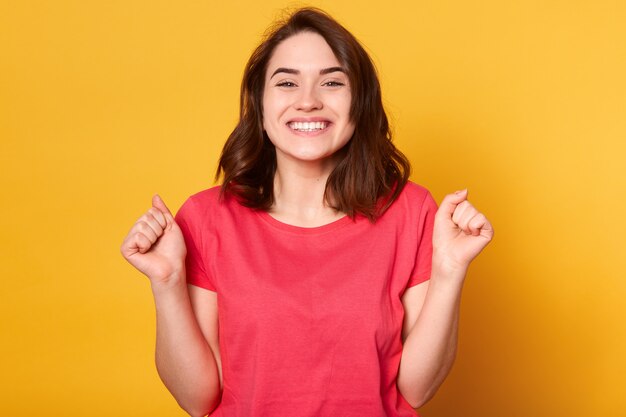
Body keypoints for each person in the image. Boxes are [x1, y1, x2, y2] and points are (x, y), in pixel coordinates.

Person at [120, 7, 493, 417]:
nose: (309, 101)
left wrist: (449, 270)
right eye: (287, 83)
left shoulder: (413, 212)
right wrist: (168, 281)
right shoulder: (206, 218)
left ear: (360, 103)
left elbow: (417, 390)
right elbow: (197, 400)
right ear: (259, 105)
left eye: (332, 82)